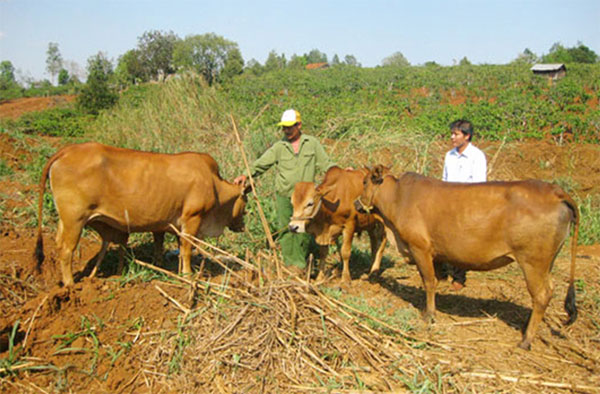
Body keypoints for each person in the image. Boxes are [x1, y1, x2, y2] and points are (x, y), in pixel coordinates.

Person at [234, 109, 334, 275]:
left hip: (304, 198)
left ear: (299, 125)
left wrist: (341, 173)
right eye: (284, 128)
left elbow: (326, 164)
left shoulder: (312, 144)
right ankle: (289, 263)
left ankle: (300, 264)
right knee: (286, 229)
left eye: (290, 127)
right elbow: (261, 164)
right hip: (285, 195)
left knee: (303, 230)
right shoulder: (279, 147)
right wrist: (245, 174)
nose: (287, 131)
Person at [441, 119, 487, 289]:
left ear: (467, 136)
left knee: (461, 239)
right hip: (448, 202)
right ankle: (444, 270)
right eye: (452, 134)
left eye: (456, 134)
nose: (452, 137)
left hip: (468, 204)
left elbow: (479, 185)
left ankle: (460, 276)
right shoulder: (449, 155)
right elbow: (445, 181)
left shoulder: (477, 156)